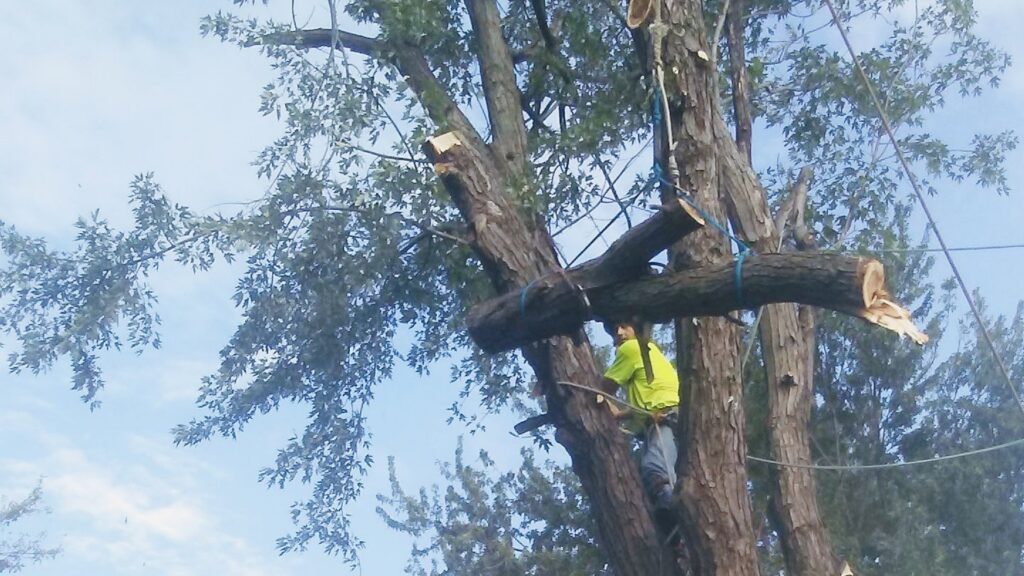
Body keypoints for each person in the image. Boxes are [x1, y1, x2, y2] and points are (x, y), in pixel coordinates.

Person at [602, 321, 680, 525]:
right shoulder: (650, 350)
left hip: (663, 418)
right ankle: (674, 535)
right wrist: (620, 415)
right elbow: (649, 394)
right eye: (614, 330)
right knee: (658, 472)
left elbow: (602, 390)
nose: (618, 333)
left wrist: (590, 391)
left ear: (635, 328)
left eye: (623, 326)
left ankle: (671, 510)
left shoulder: (630, 348)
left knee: (654, 468)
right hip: (667, 416)